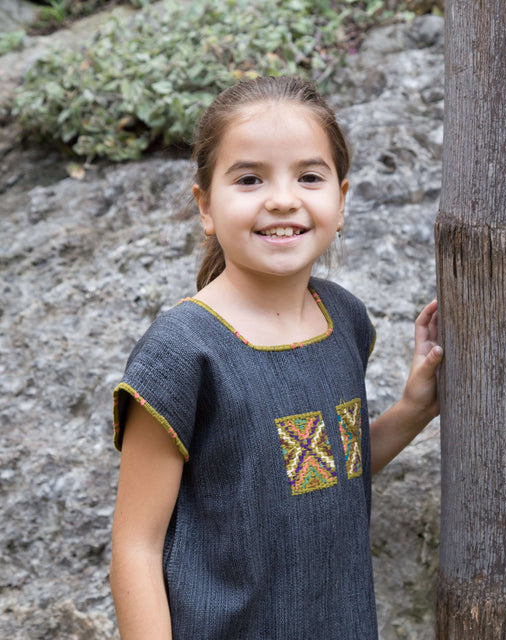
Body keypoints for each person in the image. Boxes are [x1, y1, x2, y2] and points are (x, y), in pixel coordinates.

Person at [109, 75, 442, 640]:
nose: (283, 198)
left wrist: (413, 409)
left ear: (342, 201)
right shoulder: (183, 352)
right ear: (205, 205)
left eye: (309, 176)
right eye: (249, 178)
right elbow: (136, 546)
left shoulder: (345, 321)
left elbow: (328, 472)